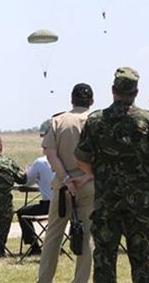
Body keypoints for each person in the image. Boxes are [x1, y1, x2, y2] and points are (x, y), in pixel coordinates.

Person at [75, 67, 149, 283]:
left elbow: (81, 159)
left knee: (104, 260)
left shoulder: (96, 121)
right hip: (142, 201)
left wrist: (97, 175)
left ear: (112, 90)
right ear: (136, 93)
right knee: (144, 260)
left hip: (107, 200)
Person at [38, 83, 96, 283]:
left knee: (54, 234)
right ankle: (80, 280)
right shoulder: (96, 122)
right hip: (89, 184)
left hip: (63, 185)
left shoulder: (58, 121)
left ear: (71, 99)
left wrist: (66, 179)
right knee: (88, 235)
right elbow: (103, 157)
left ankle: (44, 279)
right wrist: (86, 177)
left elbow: (50, 153)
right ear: (91, 101)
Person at [16, 125, 55, 256]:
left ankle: (34, 246)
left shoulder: (40, 162)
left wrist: (27, 171)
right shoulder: (67, 159)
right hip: (69, 205)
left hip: (49, 205)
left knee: (22, 213)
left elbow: (27, 181)